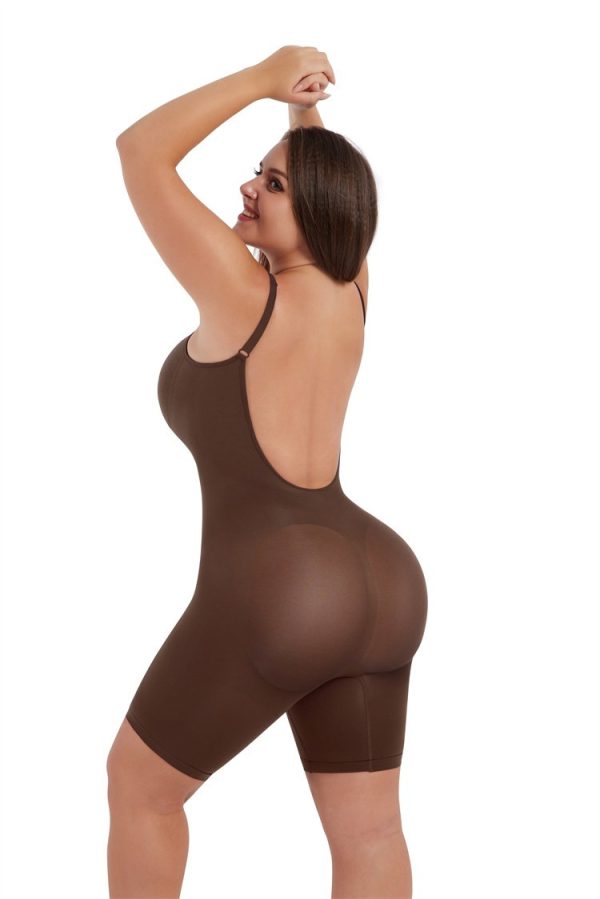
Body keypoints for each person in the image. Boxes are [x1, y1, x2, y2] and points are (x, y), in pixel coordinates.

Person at [108, 45, 428, 899]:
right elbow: (327, 186)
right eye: (259, 172)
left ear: (315, 207)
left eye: (273, 184)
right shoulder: (352, 288)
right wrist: (301, 105)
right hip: (383, 579)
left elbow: (140, 151)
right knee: (370, 832)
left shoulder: (244, 295)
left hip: (285, 585)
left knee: (139, 788)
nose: (250, 187)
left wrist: (260, 78)